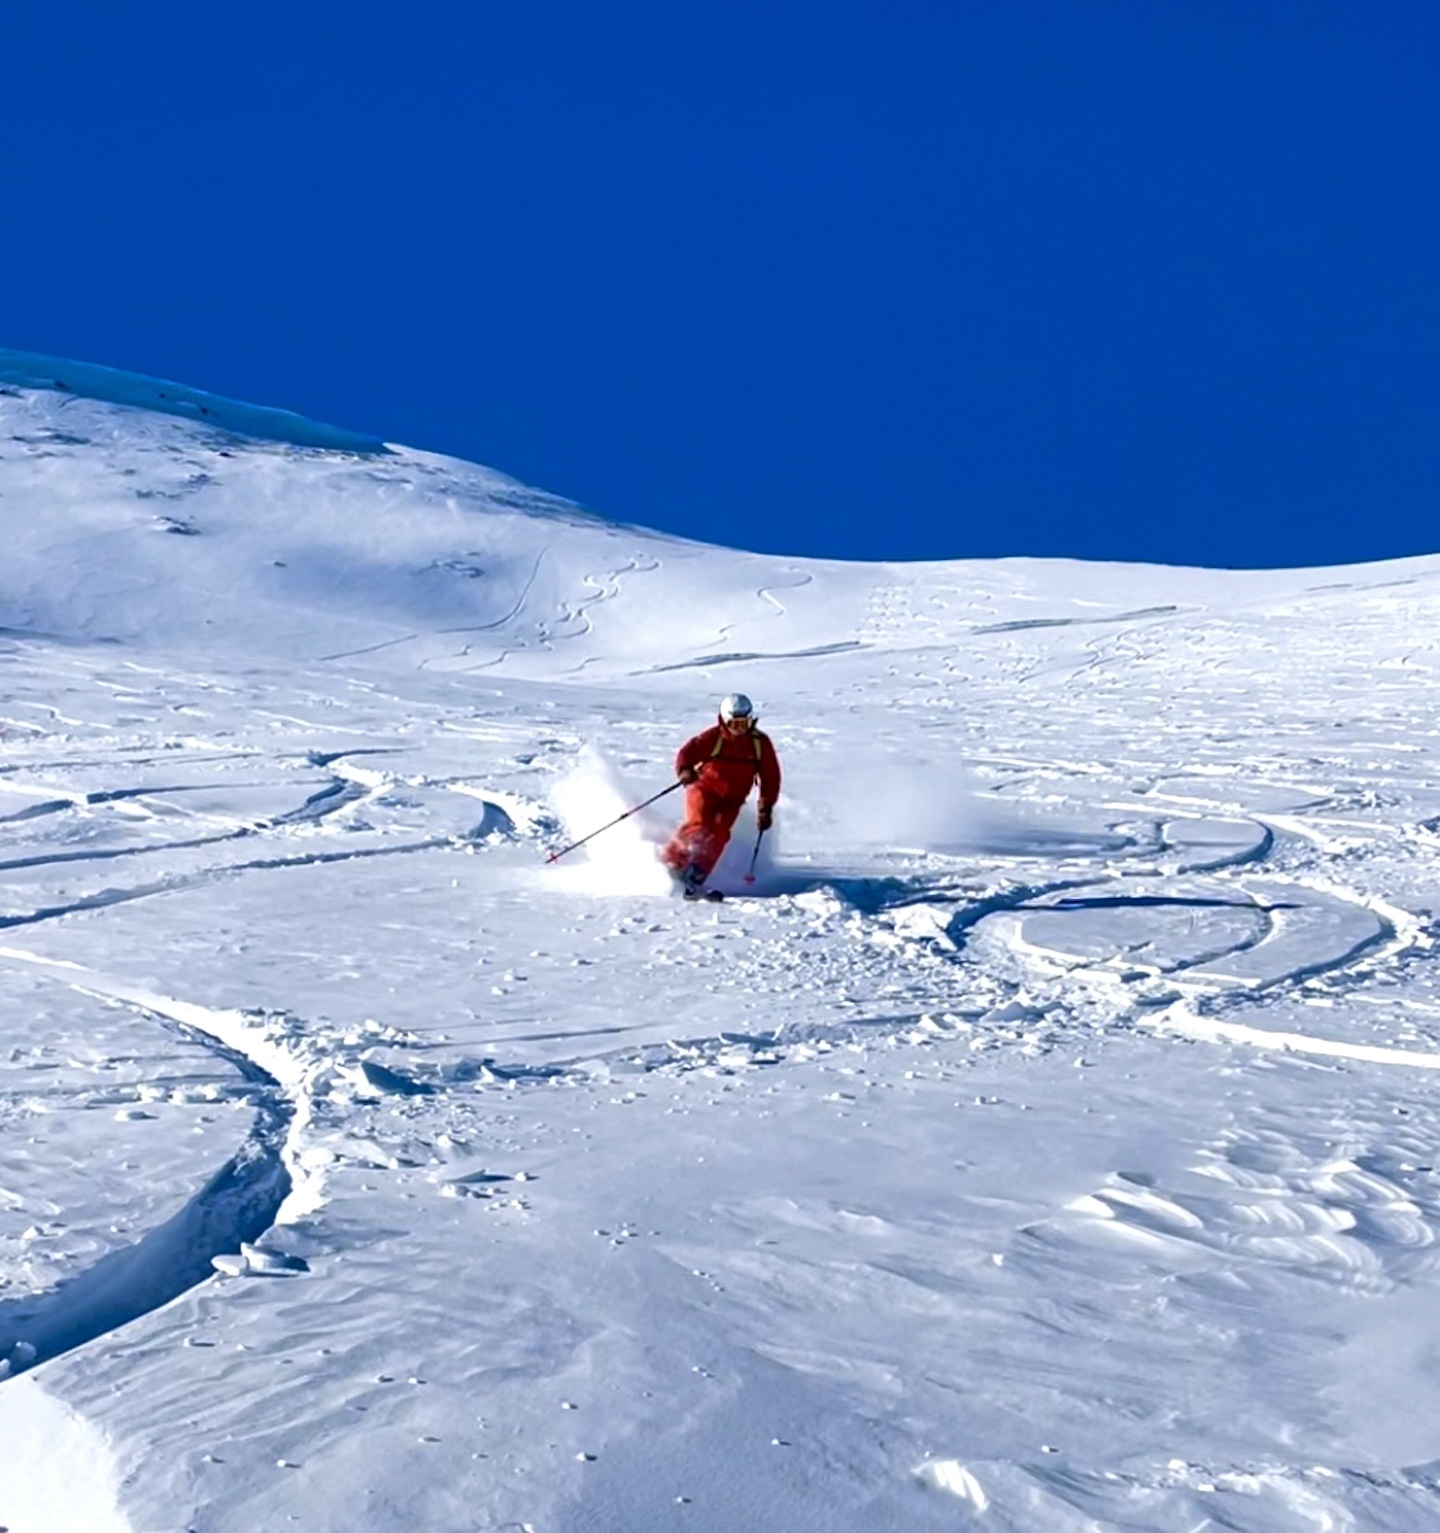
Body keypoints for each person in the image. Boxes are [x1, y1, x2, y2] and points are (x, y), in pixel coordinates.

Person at [662, 694, 781, 896]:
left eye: (744, 722)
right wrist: (685, 770)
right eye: (734, 723)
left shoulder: (760, 744)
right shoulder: (714, 737)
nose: (739, 728)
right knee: (699, 824)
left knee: (720, 833)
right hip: (704, 789)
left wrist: (766, 807)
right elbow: (687, 752)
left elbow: (771, 776)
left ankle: (697, 873)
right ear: (725, 721)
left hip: (733, 800)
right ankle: (673, 862)